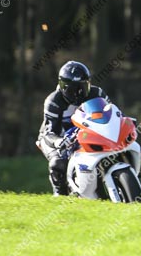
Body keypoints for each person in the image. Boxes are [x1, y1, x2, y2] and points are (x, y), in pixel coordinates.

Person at [37, 61, 109, 196]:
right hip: (55, 137)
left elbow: (111, 114)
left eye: (82, 88)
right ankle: (59, 194)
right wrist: (58, 141)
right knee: (58, 163)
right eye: (72, 90)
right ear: (63, 87)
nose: (78, 94)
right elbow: (49, 132)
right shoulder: (53, 101)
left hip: (84, 134)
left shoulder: (97, 93)